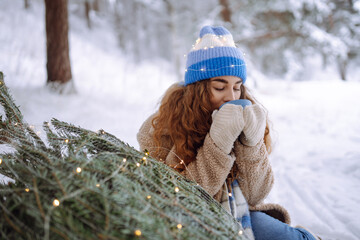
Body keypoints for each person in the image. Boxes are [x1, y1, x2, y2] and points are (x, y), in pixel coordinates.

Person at [137, 26, 320, 240]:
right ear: (198, 88)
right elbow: (178, 197)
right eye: (219, 87)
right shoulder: (160, 128)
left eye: (237, 87)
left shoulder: (244, 115)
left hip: (239, 212)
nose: (231, 97)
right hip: (190, 222)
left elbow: (256, 195)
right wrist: (218, 143)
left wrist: (252, 145)